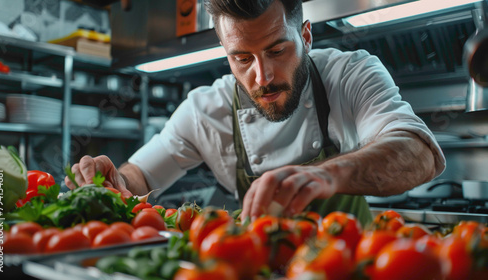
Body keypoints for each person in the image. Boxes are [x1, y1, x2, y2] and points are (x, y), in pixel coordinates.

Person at [65, 0, 445, 225]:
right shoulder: (204, 110)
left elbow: (418, 152)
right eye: (242, 58)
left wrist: (325, 175)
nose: (262, 76)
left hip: (348, 266)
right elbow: (140, 176)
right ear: (226, 54)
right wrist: (114, 181)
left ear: (306, 37)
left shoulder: (349, 73)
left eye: (277, 51)